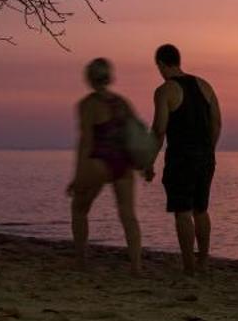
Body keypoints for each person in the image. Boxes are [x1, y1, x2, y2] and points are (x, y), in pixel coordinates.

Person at [145, 43, 220, 276]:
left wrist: (149, 161)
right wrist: (209, 149)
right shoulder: (205, 86)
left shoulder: (165, 91)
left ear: (160, 64)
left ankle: (189, 266)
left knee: (183, 212)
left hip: (181, 158)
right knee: (201, 210)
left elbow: (158, 130)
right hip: (206, 156)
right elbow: (217, 123)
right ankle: (204, 262)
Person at [67, 57, 142, 273]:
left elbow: (86, 142)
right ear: (109, 77)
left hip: (100, 161)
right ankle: (136, 265)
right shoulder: (122, 103)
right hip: (123, 163)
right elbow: (135, 135)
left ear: (89, 78)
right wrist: (143, 164)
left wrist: (78, 176)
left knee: (79, 208)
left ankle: (81, 261)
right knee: (128, 214)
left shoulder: (87, 105)